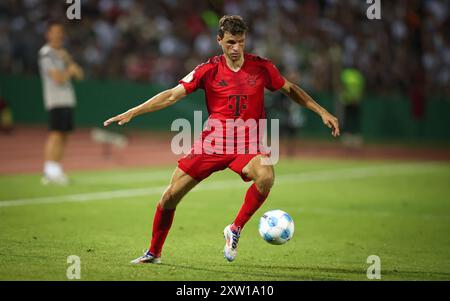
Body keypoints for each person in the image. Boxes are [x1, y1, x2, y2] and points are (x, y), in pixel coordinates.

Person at [104, 15, 340, 264]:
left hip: (248, 144)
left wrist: (321, 110)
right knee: (169, 197)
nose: (236, 48)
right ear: (219, 40)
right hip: (212, 143)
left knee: (266, 176)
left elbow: (290, 89)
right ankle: (153, 253)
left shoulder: (262, 67)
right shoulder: (208, 70)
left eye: (240, 42)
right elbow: (172, 96)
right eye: (230, 42)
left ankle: (235, 229)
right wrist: (134, 111)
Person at [38, 21, 84, 185]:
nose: (58, 35)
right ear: (48, 34)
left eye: (60, 32)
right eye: (55, 32)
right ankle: (49, 170)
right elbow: (57, 78)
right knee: (55, 135)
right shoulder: (46, 53)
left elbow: (80, 75)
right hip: (55, 100)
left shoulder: (62, 53)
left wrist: (69, 63)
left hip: (67, 100)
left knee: (64, 135)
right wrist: (69, 71)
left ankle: (56, 169)